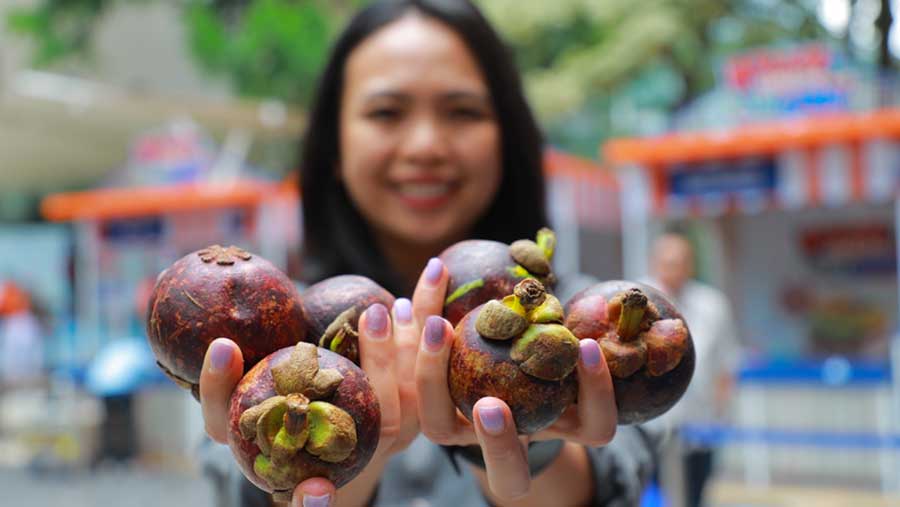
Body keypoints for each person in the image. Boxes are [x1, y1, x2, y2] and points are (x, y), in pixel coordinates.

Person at [198, 1, 660, 506]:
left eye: (462, 111)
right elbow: (236, 485)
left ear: (506, 138)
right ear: (334, 146)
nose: (425, 145)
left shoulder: (585, 321)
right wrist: (335, 460)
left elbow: (617, 475)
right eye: (386, 112)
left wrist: (533, 441)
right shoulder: (270, 335)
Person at [644, 231, 741, 507]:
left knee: (695, 495)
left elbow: (726, 362)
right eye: (666, 262)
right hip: (652, 426)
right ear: (654, 263)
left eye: (679, 262)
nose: (672, 270)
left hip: (700, 423)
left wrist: (721, 414)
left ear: (690, 265)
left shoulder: (712, 305)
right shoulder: (635, 298)